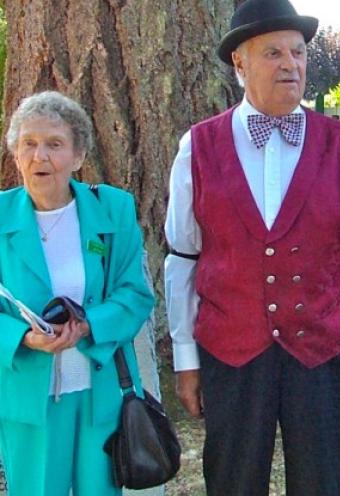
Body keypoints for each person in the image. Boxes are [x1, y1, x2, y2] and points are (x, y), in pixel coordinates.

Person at [163, 0, 340, 495]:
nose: (291, 64)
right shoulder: (198, 147)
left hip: (323, 349)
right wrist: (186, 357)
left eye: (297, 52)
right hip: (232, 352)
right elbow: (182, 257)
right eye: (273, 52)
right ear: (240, 63)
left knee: (322, 484)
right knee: (231, 484)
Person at [0, 91, 154, 496]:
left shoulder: (113, 210)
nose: (40, 156)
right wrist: (22, 337)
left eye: (54, 144)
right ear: (15, 152)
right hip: (27, 395)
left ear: (78, 156)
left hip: (100, 391)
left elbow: (134, 294)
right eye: (28, 144)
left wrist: (89, 326)